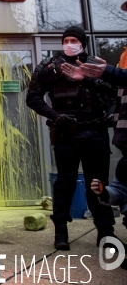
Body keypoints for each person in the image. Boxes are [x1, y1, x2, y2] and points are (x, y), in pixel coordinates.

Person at [26, 25, 116, 251]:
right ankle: (61, 231)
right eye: (65, 40)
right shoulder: (50, 67)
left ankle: (106, 232)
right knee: (64, 183)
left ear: (83, 43)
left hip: (96, 131)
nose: (69, 44)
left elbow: (114, 93)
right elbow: (33, 97)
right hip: (67, 131)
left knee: (97, 184)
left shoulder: (96, 65)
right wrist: (54, 115)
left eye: (73, 40)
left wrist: (109, 114)